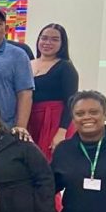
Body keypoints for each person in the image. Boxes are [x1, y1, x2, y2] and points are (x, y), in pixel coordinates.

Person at [29, 23, 79, 161]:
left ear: (62, 43)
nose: (48, 43)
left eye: (54, 39)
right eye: (44, 38)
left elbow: (71, 102)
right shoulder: (27, 63)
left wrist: (62, 132)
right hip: (30, 119)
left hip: (54, 121)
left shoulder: (66, 67)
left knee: (49, 161)